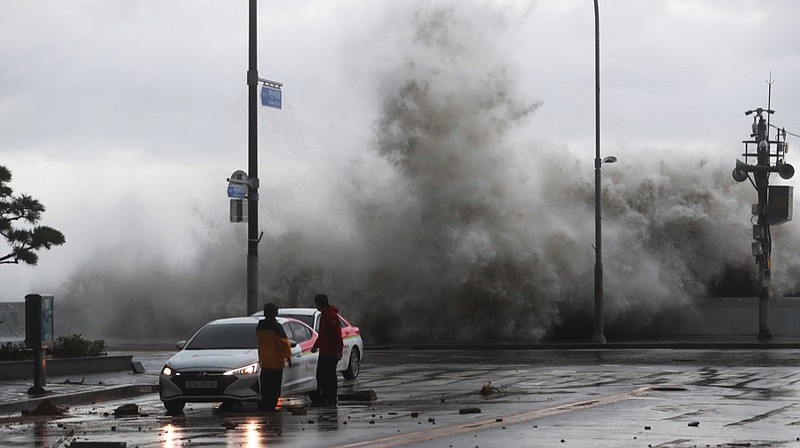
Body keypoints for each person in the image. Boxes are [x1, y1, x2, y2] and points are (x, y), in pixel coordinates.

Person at [256, 302, 292, 411]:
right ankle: (271, 406)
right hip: (276, 362)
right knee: (274, 387)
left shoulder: (260, 326)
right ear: (275, 313)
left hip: (264, 361)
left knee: (265, 386)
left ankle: (265, 405)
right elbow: (283, 342)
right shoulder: (276, 326)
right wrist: (288, 356)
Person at [310, 294, 344, 406]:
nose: (316, 306)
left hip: (331, 353)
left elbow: (337, 335)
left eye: (317, 304)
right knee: (321, 375)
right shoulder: (324, 316)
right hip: (324, 352)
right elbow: (322, 335)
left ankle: (332, 398)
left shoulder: (331, 316)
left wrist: (339, 350)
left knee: (329, 376)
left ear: (320, 304)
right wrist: (316, 346)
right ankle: (326, 397)